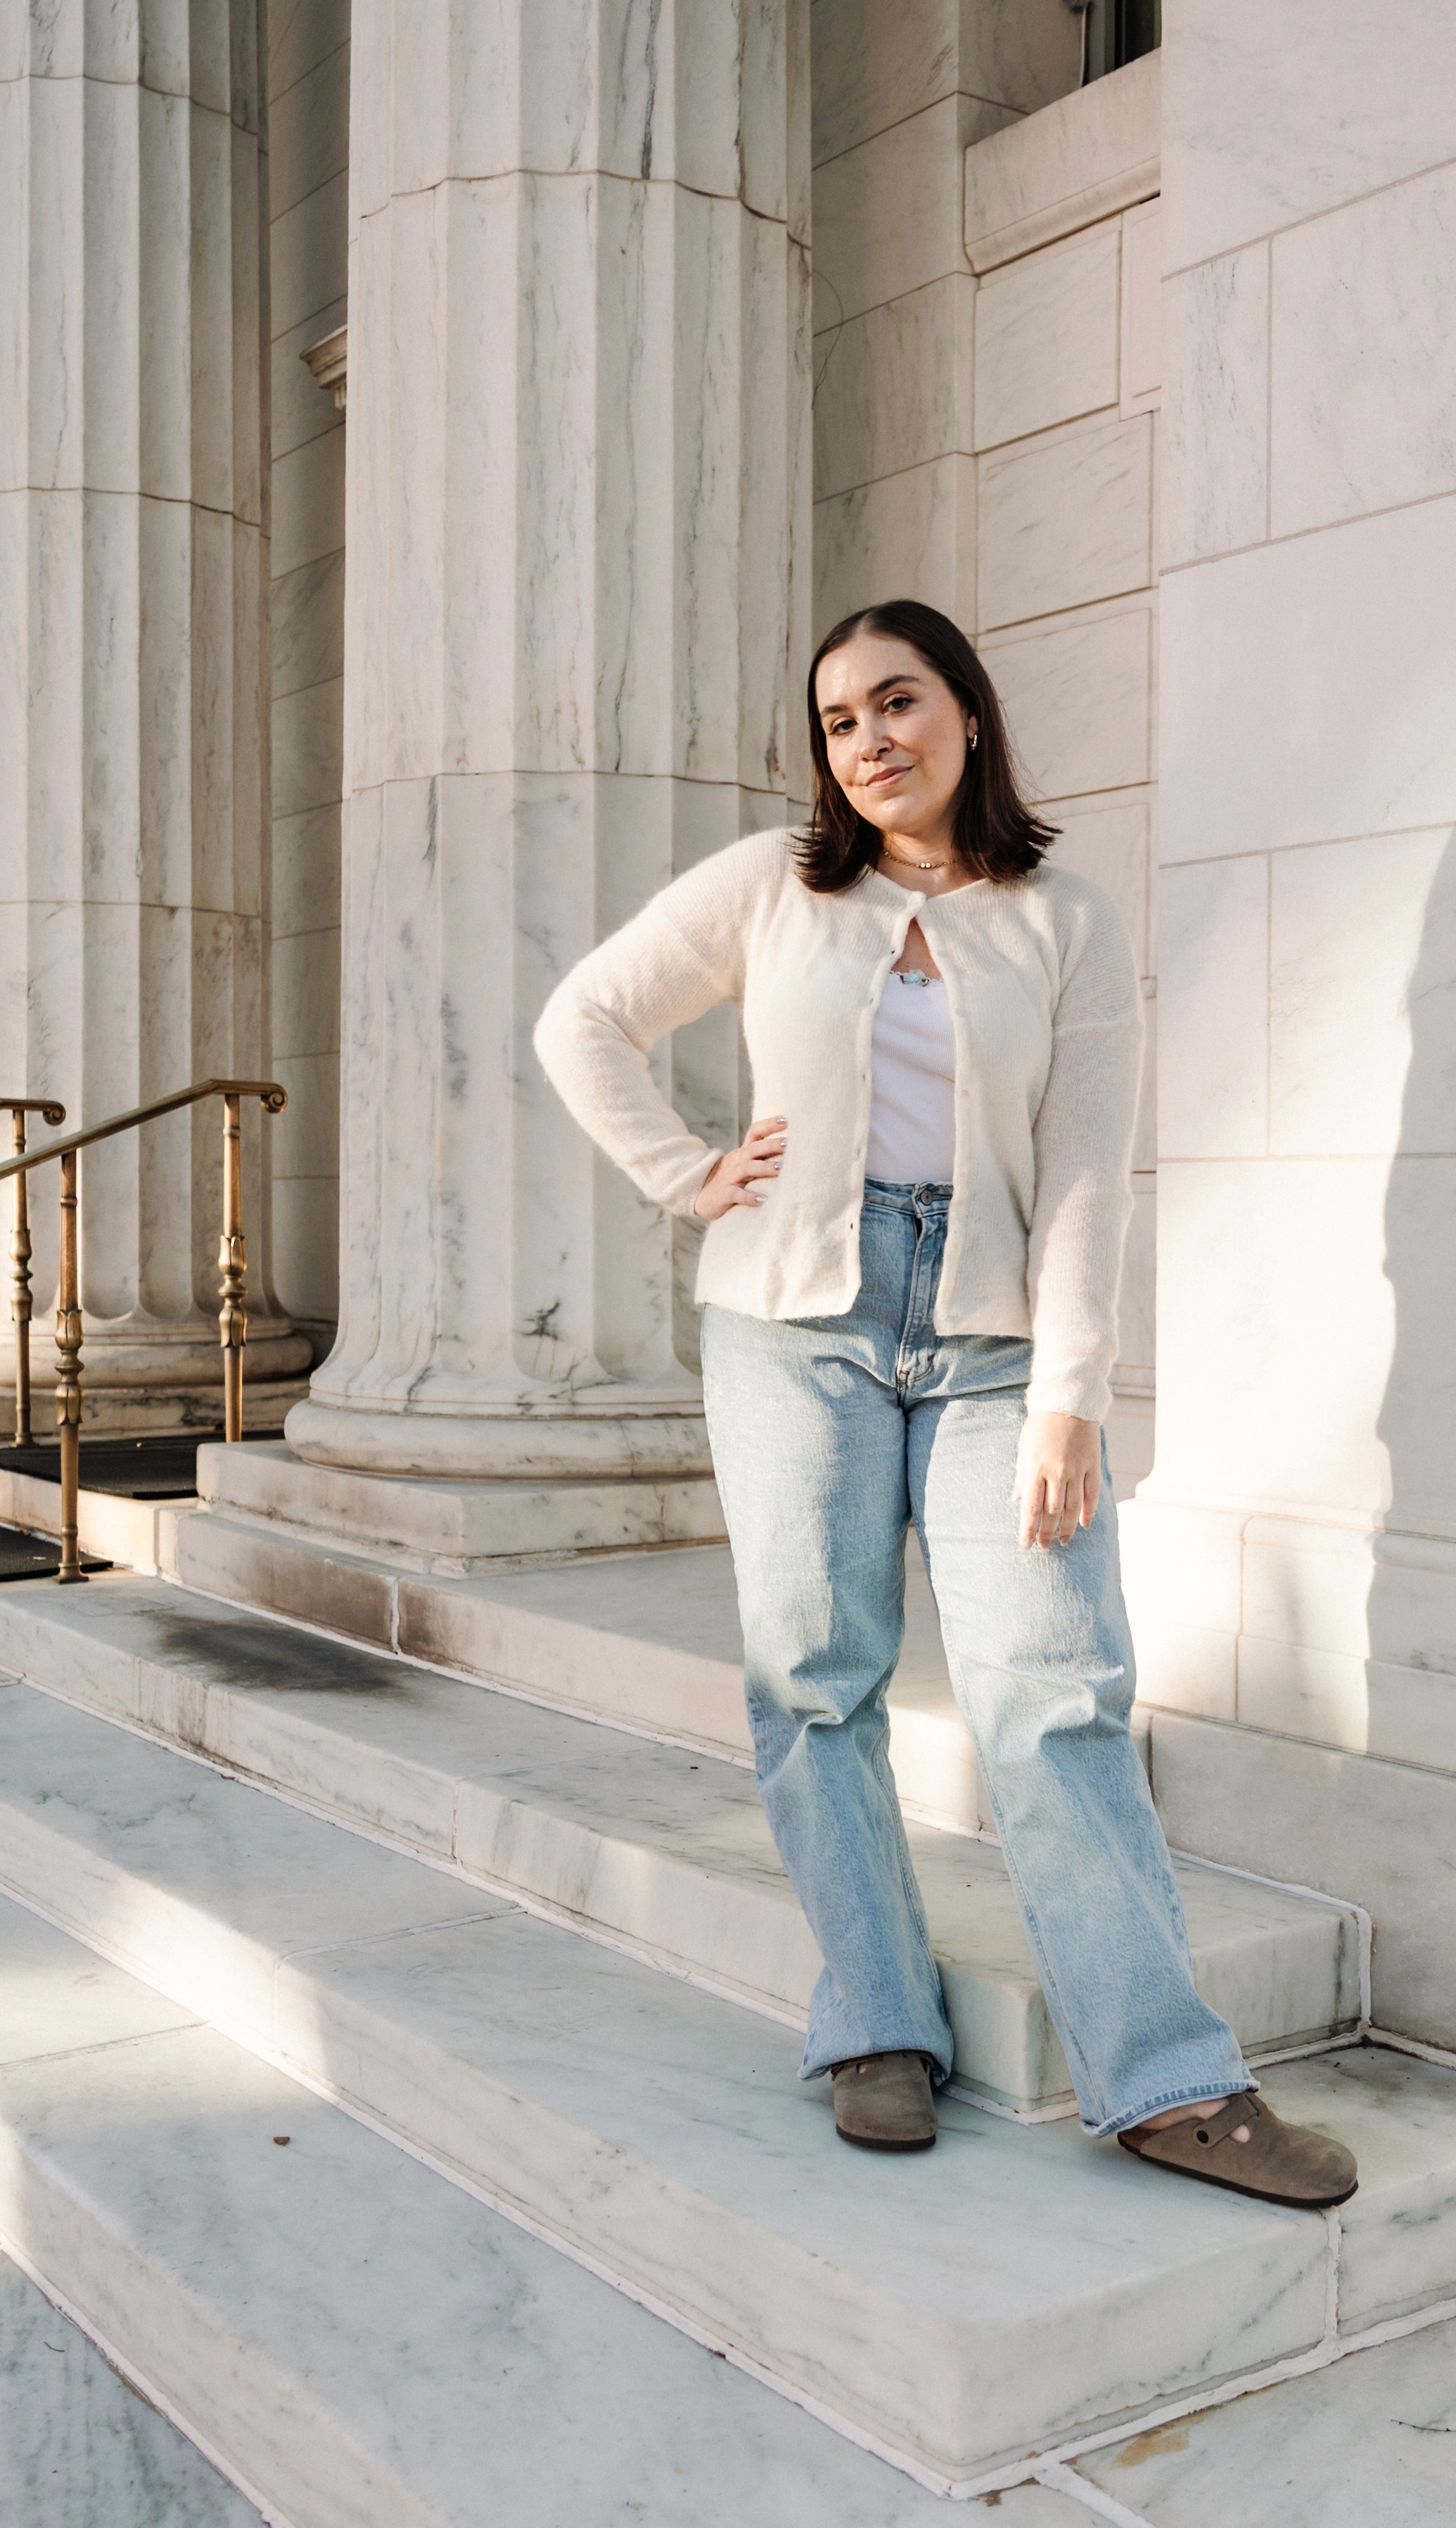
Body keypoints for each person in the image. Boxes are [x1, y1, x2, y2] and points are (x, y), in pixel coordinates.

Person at [535, 599, 1356, 2206]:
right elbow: (583, 1019)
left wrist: (1071, 1401)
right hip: (793, 1328)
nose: (870, 742)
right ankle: (875, 2026)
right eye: (840, 722)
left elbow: (1087, 1181)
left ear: (967, 713)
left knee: (1054, 1691)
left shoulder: (1065, 918)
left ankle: (1169, 2076)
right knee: (815, 1683)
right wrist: (687, 1174)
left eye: (897, 703)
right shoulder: (775, 885)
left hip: (988, 1342)